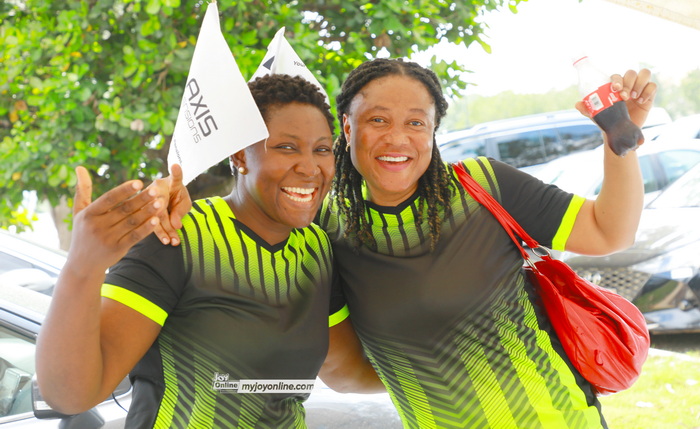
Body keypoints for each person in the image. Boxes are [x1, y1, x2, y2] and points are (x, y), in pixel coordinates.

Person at [315, 58, 655, 428]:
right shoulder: (327, 231)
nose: (397, 138)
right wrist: (424, 378)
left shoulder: (482, 186)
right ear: (348, 127)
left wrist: (620, 136)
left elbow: (609, 231)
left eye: (415, 122)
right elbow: (343, 372)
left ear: (432, 130)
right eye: (378, 120)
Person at [35, 74, 381, 428]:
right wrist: (83, 267)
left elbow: (345, 371)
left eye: (321, 149)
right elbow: (71, 395)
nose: (309, 167)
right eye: (286, 147)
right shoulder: (177, 237)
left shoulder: (316, 250)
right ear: (240, 155)